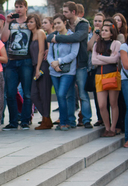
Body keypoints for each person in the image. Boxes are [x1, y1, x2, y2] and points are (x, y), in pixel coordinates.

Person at [48, 1, 92, 129]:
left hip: (79, 64)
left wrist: (57, 38)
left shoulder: (82, 24)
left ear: (73, 12)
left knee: (82, 94)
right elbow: (48, 38)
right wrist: (54, 63)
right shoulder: (60, 30)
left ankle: (86, 119)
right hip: (62, 67)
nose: (64, 14)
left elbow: (76, 38)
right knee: (69, 94)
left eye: (66, 12)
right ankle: (70, 120)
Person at [0, 0, 33, 130]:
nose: (18, 9)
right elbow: (4, 39)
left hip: (26, 61)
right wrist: (7, 23)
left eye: (21, 7)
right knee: (10, 93)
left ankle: (25, 120)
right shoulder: (11, 22)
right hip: (12, 61)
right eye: (17, 7)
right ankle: (13, 121)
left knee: (27, 93)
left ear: (26, 8)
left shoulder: (29, 22)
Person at [47, 14, 80, 131]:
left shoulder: (72, 37)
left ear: (64, 23)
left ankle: (65, 122)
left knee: (63, 95)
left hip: (68, 71)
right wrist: (53, 64)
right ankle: (69, 121)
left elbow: (73, 54)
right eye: (55, 24)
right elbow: (49, 55)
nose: (57, 25)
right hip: (54, 71)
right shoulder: (53, 37)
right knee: (63, 96)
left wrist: (59, 62)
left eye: (59, 23)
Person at [92, 23, 121, 137]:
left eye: (106, 30)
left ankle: (113, 128)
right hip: (100, 75)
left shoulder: (116, 43)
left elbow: (115, 60)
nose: (103, 32)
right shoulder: (97, 45)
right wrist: (107, 59)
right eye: (102, 30)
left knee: (113, 103)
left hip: (112, 75)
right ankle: (107, 127)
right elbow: (93, 61)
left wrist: (100, 57)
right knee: (102, 105)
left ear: (112, 33)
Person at [27, 14, 53, 129]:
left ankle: (46, 120)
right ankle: (46, 118)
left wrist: (38, 68)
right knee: (33, 94)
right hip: (35, 66)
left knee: (44, 93)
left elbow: (41, 51)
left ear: (36, 22)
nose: (29, 24)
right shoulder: (31, 35)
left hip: (42, 66)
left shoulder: (40, 32)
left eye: (31, 22)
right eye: (28, 22)